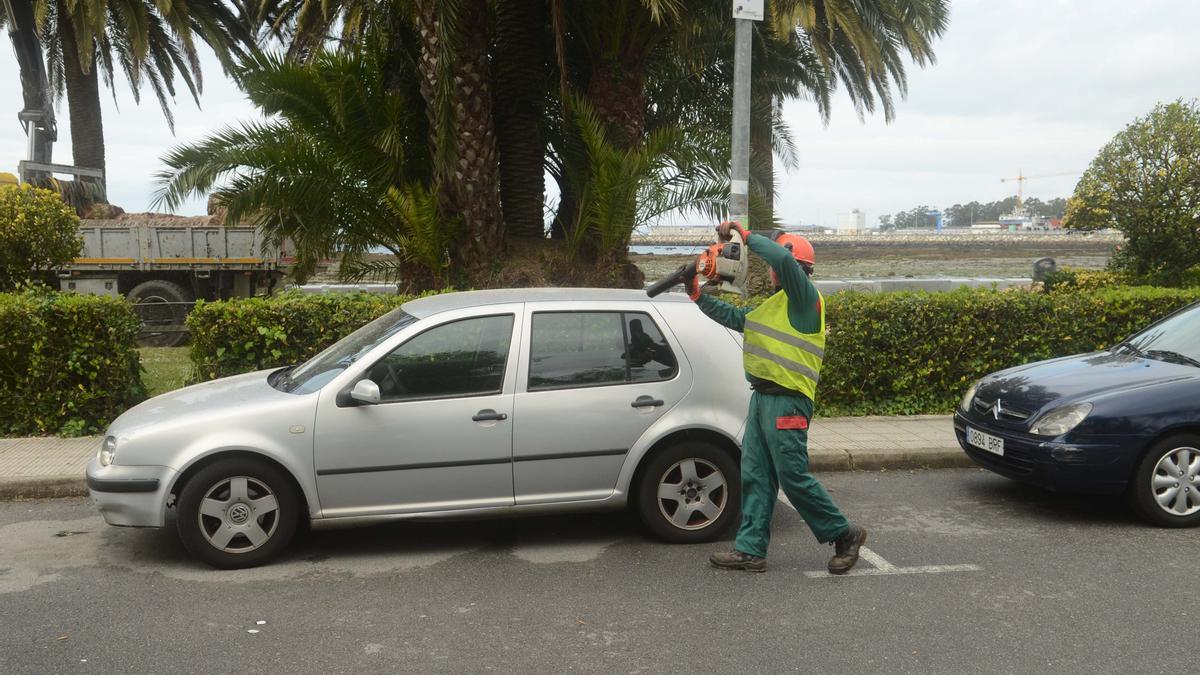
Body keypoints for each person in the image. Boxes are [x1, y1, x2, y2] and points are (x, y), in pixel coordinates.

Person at [686, 220, 867, 574]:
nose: (770, 271)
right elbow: (736, 317)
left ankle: (845, 534)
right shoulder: (775, 305)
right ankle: (751, 550)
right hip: (764, 399)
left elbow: (783, 262)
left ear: (794, 267)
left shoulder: (804, 298)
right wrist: (695, 294)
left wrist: (747, 236)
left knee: (793, 477)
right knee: (755, 474)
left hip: (788, 401)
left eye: (773, 265)